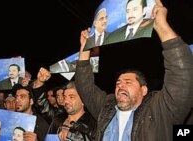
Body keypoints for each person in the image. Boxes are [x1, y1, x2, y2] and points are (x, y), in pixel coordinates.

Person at [75, 0, 193, 140]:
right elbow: (85, 87)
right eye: (118, 83)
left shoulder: (158, 111)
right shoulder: (106, 107)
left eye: (128, 82)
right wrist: (84, 49)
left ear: (143, 90)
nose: (120, 86)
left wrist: (161, 26)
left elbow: (181, 75)